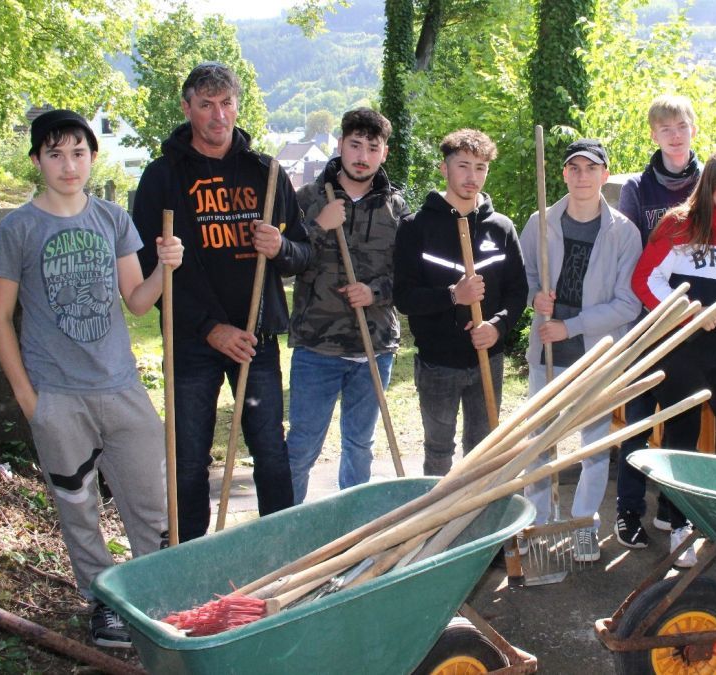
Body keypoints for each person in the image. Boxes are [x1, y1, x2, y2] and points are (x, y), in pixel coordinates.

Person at [0, 110, 184, 648]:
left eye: (78, 152)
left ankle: (154, 595)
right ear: (37, 162)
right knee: (78, 508)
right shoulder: (19, 228)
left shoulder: (113, 219)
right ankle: (104, 604)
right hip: (57, 396)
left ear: (93, 157)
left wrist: (166, 267)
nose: (68, 165)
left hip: (120, 388)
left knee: (151, 499)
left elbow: (138, 303)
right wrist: (31, 402)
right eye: (55, 154)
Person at [132, 62, 311, 541]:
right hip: (194, 341)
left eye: (226, 103)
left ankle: (282, 552)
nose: (218, 115)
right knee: (189, 458)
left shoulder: (266, 173)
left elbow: (303, 253)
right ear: (187, 106)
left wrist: (281, 248)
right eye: (206, 105)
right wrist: (210, 327)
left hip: (257, 336)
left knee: (270, 451)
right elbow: (152, 273)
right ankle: (191, 558)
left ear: (238, 105)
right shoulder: (162, 177)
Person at [632, 143, 716, 567]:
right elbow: (644, 280)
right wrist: (687, 313)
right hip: (680, 351)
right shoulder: (679, 224)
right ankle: (677, 524)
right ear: (707, 184)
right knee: (682, 439)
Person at [520, 139, 642, 562]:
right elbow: (527, 277)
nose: (582, 175)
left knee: (592, 446)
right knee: (539, 442)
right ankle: (536, 523)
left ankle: (585, 524)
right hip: (547, 354)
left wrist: (568, 325)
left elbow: (627, 303)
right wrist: (536, 298)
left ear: (605, 175)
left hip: (594, 354)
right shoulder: (540, 222)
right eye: (574, 167)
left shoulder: (624, 232)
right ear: (564, 174)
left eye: (591, 168)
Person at [287, 108, 408, 502]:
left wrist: (374, 293)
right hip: (316, 346)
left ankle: (351, 533)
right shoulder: (307, 200)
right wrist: (319, 224)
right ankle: (284, 533)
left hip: (373, 348)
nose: (362, 155)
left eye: (372, 148)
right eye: (355, 145)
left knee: (360, 446)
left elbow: (408, 278)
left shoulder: (396, 209)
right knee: (302, 445)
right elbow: (286, 265)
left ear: (384, 153)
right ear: (340, 145)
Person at [394, 129, 527, 476]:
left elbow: (518, 291)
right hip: (438, 362)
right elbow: (404, 298)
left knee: (483, 447)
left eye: (481, 168)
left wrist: (497, 327)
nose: (472, 177)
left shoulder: (500, 228)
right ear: (444, 168)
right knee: (438, 450)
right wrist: (454, 295)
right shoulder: (415, 227)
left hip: (487, 357)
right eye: (463, 166)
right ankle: (438, 523)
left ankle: (479, 520)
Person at [613, 94, 702, 549]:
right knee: (639, 420)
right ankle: (628, 511)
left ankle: (673, 512)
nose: (674, 135)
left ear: (693, 128)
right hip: (649, 317)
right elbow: (633, 252)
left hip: (694, 319)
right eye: (665, 128)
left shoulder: (709, 182)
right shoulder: (637, 188)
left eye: (681, 126)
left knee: (682, 420)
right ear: (653, 134)